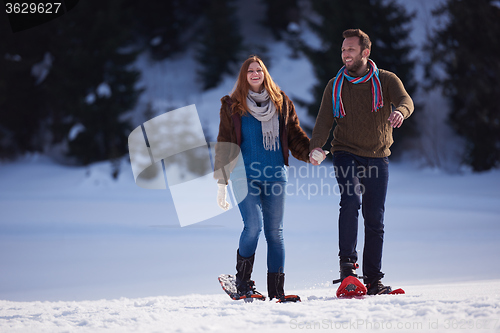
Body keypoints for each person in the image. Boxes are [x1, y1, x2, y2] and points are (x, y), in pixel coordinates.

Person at [309, 29, 414, 295]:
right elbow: (323, 121)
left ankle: (374, 279)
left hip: (378, 155)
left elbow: (405, 100)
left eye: (350, 50)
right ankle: (348, 271)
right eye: (343, 50)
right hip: (345, 151)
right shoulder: (335, 85)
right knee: (351, 200)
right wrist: (316, 148)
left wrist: (400, 112)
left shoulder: (386, 80)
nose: (345, 54)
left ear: (365, 53)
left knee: (375, 218)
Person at [214, 55, 310, 302]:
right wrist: (222, 182)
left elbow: (295, 136)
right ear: (244, 76)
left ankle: (277, 292)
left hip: (276, 175)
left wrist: (311, 153)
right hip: (242, 175)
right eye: (250, 71)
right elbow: (225, 143)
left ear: (265, 73)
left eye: (259, 70)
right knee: (253, 226)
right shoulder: (232, 105)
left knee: (275, 233)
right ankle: (243, 283)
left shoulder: (281, 102)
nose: (255, 74)